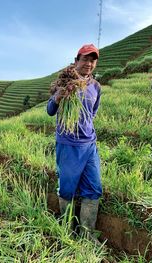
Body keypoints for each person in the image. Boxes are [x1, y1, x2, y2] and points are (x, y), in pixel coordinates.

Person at [47, 44, 102, 239]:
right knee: (68, 189)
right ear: (77, 60)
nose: (89, 63)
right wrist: (57, 97)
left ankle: (87, 234)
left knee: (94, 188)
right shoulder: (64, 82)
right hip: (68, 144)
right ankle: (67, 232)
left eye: (92, 60)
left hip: (89, 145)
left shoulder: (95, 86)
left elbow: (92, 113)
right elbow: (50, 111)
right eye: (85, 59)